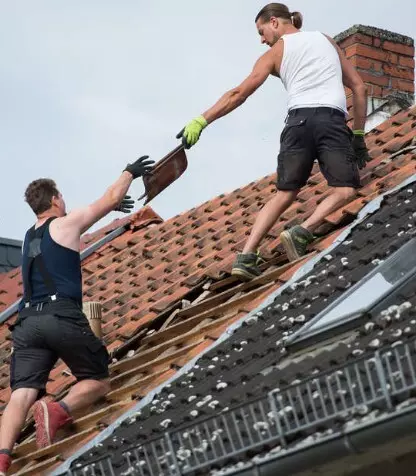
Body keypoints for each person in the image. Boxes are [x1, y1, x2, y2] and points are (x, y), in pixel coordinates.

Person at [177, 3, 370, 280]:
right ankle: (302, 231)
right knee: (345, 189)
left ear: (275, 22)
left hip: (296, 124)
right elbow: (359, 87)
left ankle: (246, 255)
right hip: (330, 121)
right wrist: (360, 135)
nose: (261, 39)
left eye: (261, 31)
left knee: (284, 193)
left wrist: (202, 120)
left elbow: (238, 94)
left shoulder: (274, 53)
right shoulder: (324, 40)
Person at [0, 156, 154, 475]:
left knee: (20, 395)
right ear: (55, 199)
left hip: (27, 324)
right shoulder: (65, 223)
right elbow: (110, 198)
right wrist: (130, 172)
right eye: (62, 196)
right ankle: (57, 410)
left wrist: (112, 203)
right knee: (97, 380)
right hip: (61, 317)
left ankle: (2, 460)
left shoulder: (30, 236)